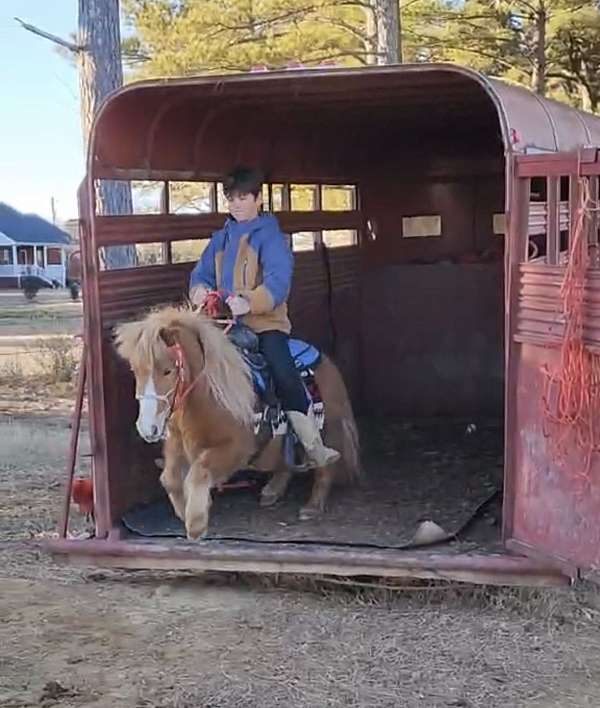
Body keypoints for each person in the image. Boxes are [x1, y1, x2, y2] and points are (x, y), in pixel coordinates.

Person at [189, 166, 340, 467]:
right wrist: (199, 291)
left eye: (243, 197)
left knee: (283, 373)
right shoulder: (220, 238)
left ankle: (313, 446)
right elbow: (199, 274)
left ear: (258, 199)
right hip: (221, 325)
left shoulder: (272, 238)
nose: (235, 204)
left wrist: (248, 301)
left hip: (265, 325)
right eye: (231, 198)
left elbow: (278, 284)